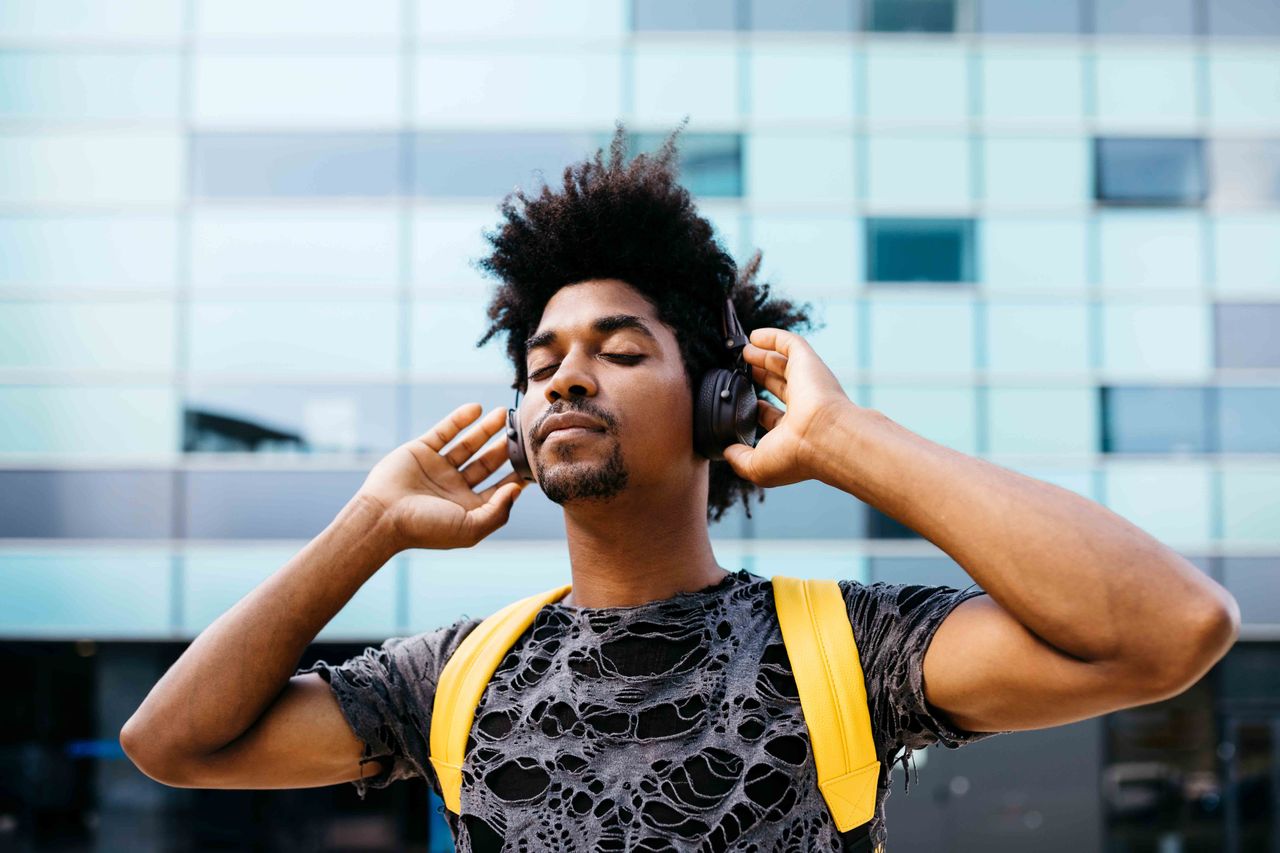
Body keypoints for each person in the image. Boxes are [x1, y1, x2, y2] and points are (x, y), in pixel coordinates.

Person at [120, 123, 1240, 852]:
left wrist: (849, 439)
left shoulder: (844, 648)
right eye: (539, 361)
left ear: (716, 403)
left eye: (618, 349)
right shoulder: (452, 677)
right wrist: (367, 527)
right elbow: (172, 741)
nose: (564, 373)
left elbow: (1168, 627)